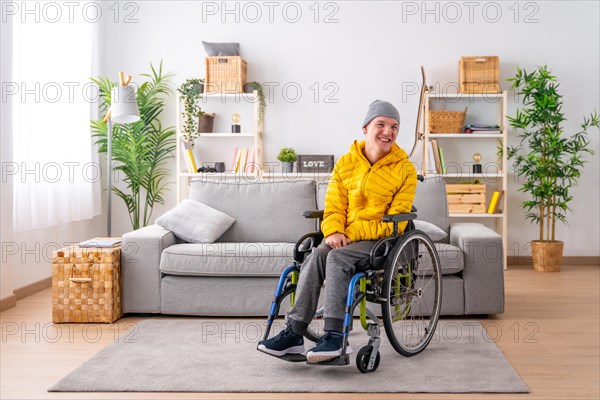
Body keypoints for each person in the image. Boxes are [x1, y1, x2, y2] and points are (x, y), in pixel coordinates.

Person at [258, 100, 417, 363]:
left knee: (336, 257)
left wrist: (351, 233)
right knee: (317, 255)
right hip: (343, 237)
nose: (388, 132)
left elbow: (396, 221)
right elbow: (333, 205)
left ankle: (335, 336)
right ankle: (294, 333)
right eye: (381, 124)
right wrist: (332, 231)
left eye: (394, 127)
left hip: (381, 240)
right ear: (366, 128)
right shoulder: (346, 163)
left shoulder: (405, 169)